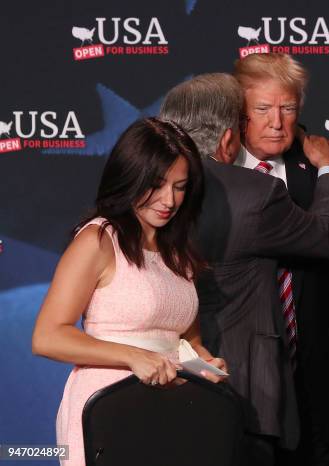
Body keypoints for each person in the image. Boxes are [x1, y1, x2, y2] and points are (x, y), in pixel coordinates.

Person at [159, 73, 329, 465]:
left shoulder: (145, 189)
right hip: (244, 385)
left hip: (157, 375)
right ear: (230, 138)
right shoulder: (254, 192)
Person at [31, 117, 227, 466]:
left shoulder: (178, 252)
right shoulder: (98, 239)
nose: (170, 200)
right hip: (110, 406)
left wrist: (203, 364)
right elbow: (48, 337)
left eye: (180, 187)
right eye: (157, 184)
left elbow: (187, 341)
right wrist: (132, 356)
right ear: (130, 175)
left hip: (172, 410)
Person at [234, 53, 329, 465]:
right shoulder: (214, 172)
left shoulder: (321, 172)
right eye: (263, 109)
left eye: (288, 108)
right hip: (236, 389)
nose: (277, 122)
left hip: (315, 388)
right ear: (239, 111)